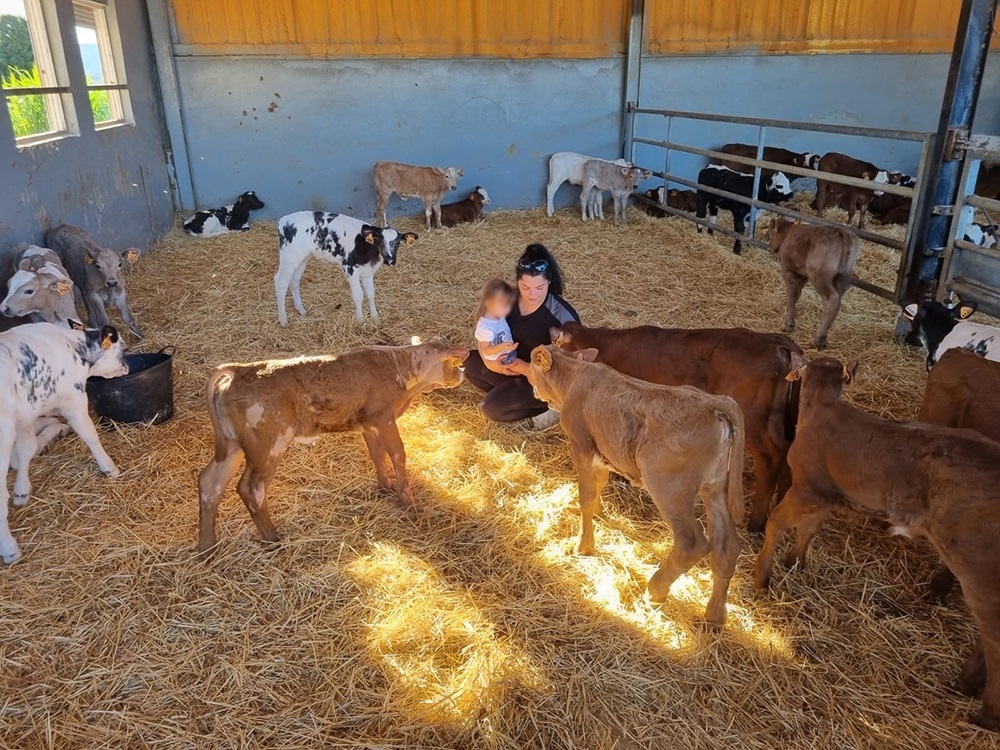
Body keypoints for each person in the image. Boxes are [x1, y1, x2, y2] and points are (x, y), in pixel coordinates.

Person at [465, 243, 580, 429]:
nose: (532, 294)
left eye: (539, 287)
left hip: (540, 377)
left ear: (549, 281)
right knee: (469, 363)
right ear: (517, 281)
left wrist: (524, 368)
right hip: (510, 363)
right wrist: (487, 359)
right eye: (525, 287)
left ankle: (548, 407)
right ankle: (512, 395)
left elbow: (568, 368)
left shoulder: (563, 318)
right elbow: (485, 330)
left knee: (491, 408)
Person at [474, 279, 519, 367]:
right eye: (504, 305)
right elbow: (486, 350)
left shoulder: (497, 314)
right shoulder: (485, 328)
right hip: (501, 357)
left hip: (508, 349)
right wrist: (502, 347)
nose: (508, 308)